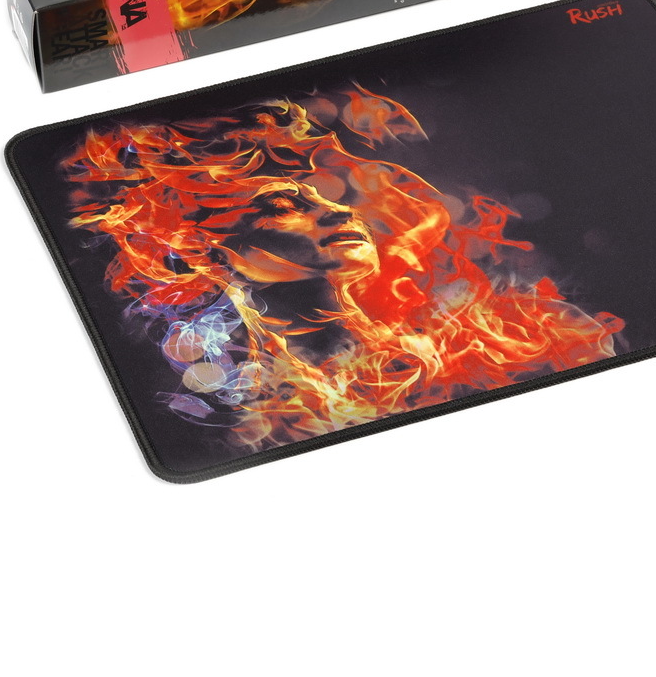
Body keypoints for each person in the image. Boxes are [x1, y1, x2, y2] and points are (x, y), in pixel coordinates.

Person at [64, 91, 623, 452]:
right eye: (283, 206)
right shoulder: (237, 406)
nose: (336, 210)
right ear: (211, 256)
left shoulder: (508, 336)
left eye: (322, 198)